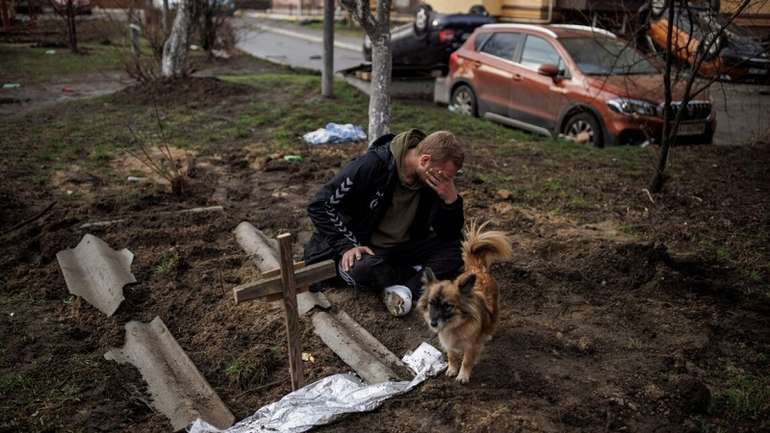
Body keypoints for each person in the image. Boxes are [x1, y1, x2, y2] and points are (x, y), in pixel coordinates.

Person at [303, 128, 466, 316]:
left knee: (460, 247)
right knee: (364, 269)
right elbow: (319, 205)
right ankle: (410, 276)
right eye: (445, 176)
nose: (447, 181)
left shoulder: (433, 180)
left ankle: (405, 290)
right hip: (364, 248)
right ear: (424, 160)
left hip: (402, 247)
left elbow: (449, 234)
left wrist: (451, 200)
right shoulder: (372, 166)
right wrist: (346, 245)